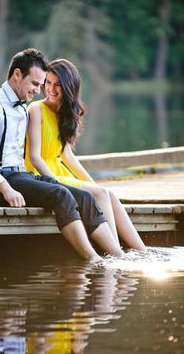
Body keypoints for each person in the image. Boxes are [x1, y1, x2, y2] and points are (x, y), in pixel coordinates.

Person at [0, 48, 124, 262]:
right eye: (34, 84)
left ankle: (118, 257)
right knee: (61, 195)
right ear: (17, 74)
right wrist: (5, 189)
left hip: (21, 177)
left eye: (40, 85)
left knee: (85, 197)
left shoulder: (22, 107)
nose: (38, 90)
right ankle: (94, 260)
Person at [25, 58, 146, 252]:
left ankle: (142, 251)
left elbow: (67, 156)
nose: (51, 89)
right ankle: (116, 253)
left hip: (57, 173)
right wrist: (56, 183)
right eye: (48, 83)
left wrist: (93, 185)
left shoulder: (63, 113)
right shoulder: (36, 109)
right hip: (39, 176)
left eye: (58, 85)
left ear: (69, 87)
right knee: (101, 194)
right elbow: (34, 157)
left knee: (108, 194)